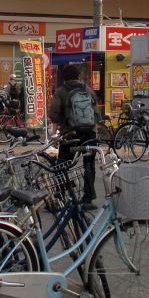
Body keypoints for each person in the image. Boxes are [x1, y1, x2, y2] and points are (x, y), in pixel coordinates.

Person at [48, 64, 97, 208]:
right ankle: (88, 198)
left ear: (64, 78)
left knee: (62, 165)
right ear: (78, 76)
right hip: (90, 133)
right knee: (89, 164)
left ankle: (60, 196)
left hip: (70, 134)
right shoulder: (88, 90)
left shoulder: (61, 92)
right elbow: (96, 114)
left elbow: (54, 114)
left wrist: (54, 133)